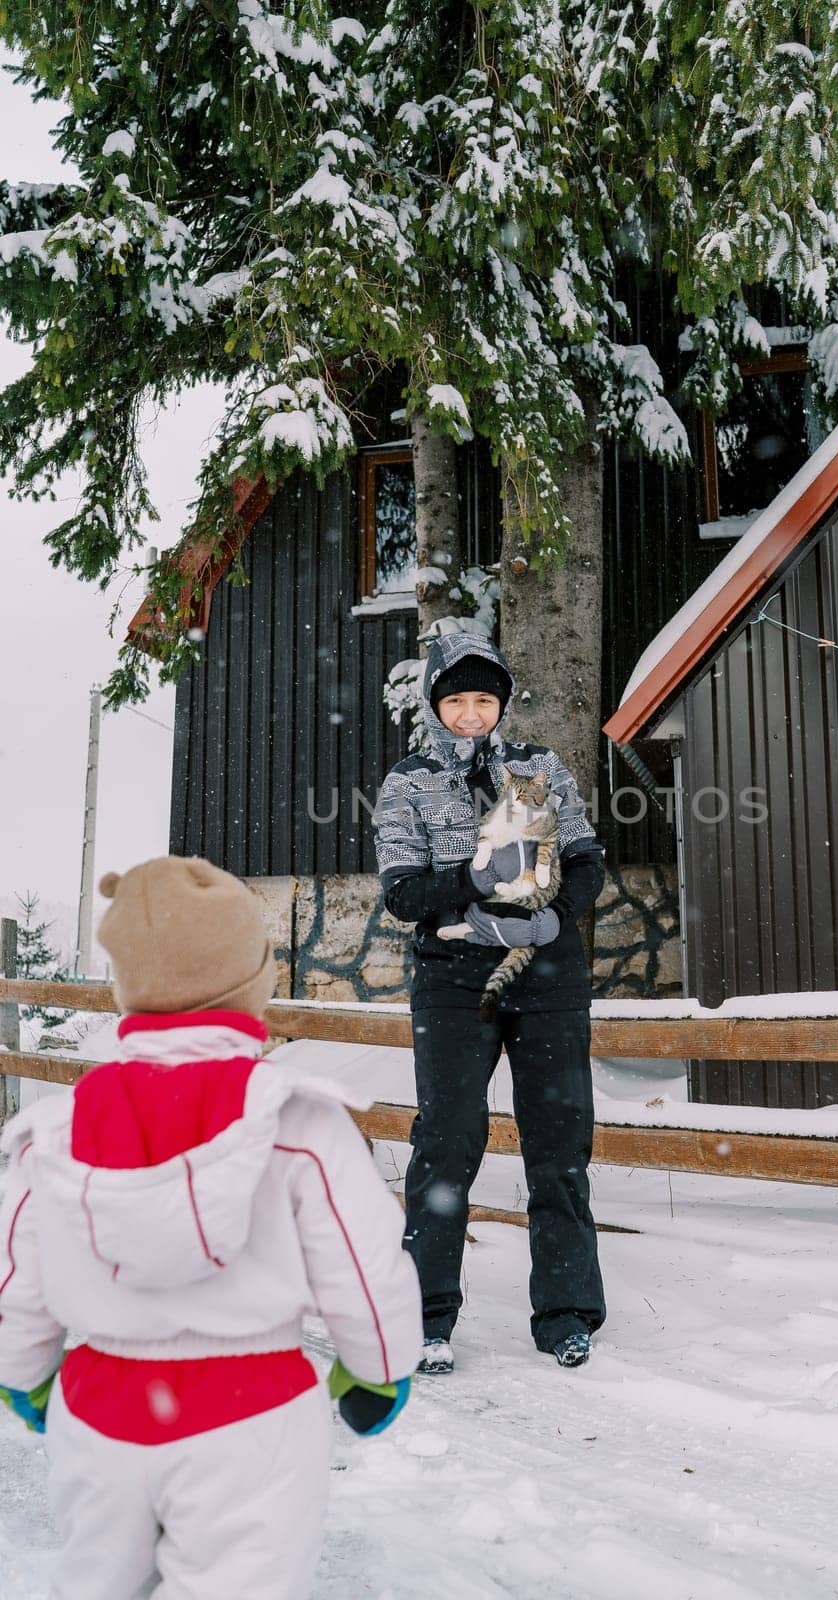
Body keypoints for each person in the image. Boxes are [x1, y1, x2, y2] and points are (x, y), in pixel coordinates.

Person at [0, 856, 422, 1600]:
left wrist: (20, 1372)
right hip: (251, 1413)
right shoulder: (295, 1121)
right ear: (251, 981)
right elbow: (362, 1264)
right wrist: (379, 1366)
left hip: (99, 1411)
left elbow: (17, 1272)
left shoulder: (57, 1129)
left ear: (128, 984)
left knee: (95, 1583)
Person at [373, 632, 606, 1373]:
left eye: (483, 700)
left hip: (546, 975)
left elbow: (585, 859)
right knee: (446, 1142)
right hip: (452, 982)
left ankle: (566, 1313)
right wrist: (474, 883)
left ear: (499, 703)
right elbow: (403, 894)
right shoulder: (407, 782)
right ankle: (426, 1317)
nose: (470, 714)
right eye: (455, 700)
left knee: (558, 1147)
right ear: (435, 706)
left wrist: (553, 916)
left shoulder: (538, 768)